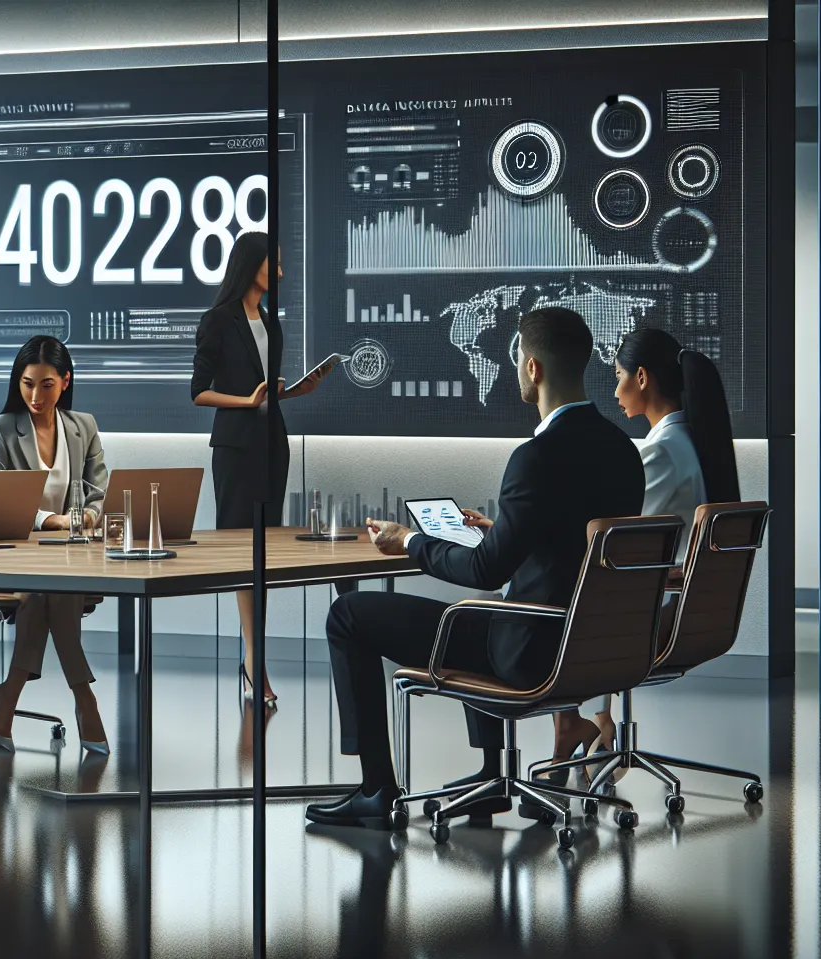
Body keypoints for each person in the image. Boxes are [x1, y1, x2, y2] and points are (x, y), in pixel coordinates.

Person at [305, 307, 644, 830]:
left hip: (529, 651)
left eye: (515, 361)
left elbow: (487, 571)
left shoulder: (536, 457)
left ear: (531, 368)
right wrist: (501, 530)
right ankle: (490, 776)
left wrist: (410, 541)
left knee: (349, 614)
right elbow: (571, 549)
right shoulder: (624, 451)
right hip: (591, 648)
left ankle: (376, 789)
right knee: (478, 618)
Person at [553, 327, 742, 756]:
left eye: (618, 375)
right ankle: (589, 728)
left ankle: (592, 728)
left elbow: (617, 542)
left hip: (647, 614)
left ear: (642, 378)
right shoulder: (689, 442)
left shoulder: (662, 452)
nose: (615, 389)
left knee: (546, 591)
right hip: (681, 609)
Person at [190, 231, 332, 706]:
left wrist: (289, 392)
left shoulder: (271, 323)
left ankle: (254, 658)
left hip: (273, 441)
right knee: (240, 553)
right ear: (252, 265)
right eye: (275, 263)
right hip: (235, 446)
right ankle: (255, 660)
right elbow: (198, 391)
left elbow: (265, 391)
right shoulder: (217, 321)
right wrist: (245, 401)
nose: (282, 272)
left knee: (264, 556)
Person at [0, 335, 109, 755]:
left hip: (74, 550)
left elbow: (99, 490)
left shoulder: (83, 426)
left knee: (48, 590)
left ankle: (10, 691)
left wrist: (89, 515)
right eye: (27, 383)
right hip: (19, 553)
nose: (35, 396)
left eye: (46, 385)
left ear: (66, 381)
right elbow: (0, 501)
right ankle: (84, 697)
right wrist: (51, 520)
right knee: (48, 588)